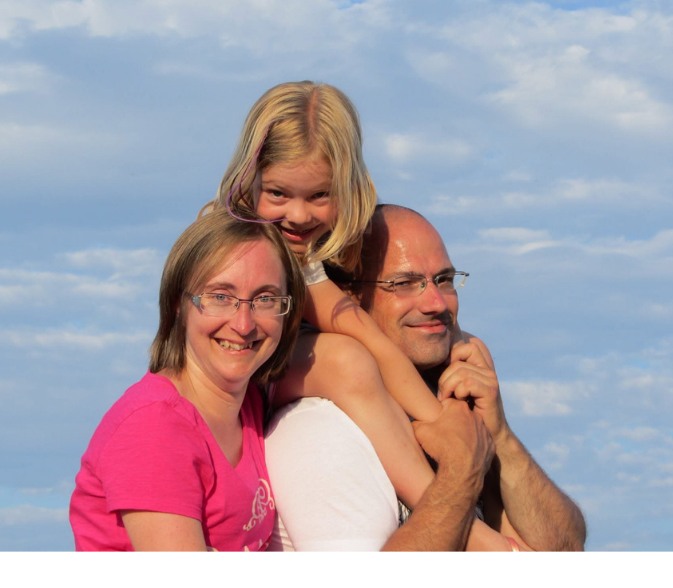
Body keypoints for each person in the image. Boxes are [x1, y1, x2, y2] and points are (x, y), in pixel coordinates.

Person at [208, 81, 510, 549]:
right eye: (279, 193)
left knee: (373, 355)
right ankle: (477, 538)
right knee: (344, 361)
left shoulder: (305, 257)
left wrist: (436, 420)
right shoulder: (231, 235)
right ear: (250, 178)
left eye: (319, 196)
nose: (299, 214)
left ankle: (465, 499)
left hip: (264, 371)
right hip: (231, 375)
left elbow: (360, 327)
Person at [266, 204, 587, 551]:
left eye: (444, 280)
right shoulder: (323, 428)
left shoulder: (448, 402)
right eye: (404, 283)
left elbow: (564, 545)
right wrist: (462, 472)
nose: (436, 302)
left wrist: (499, 435)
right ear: (346, 298)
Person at [69, 209, 306, 551]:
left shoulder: (251, 403)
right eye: (220, 297)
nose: (243, 324)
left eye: (265, 299)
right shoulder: (154, 427)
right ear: (179, 304)